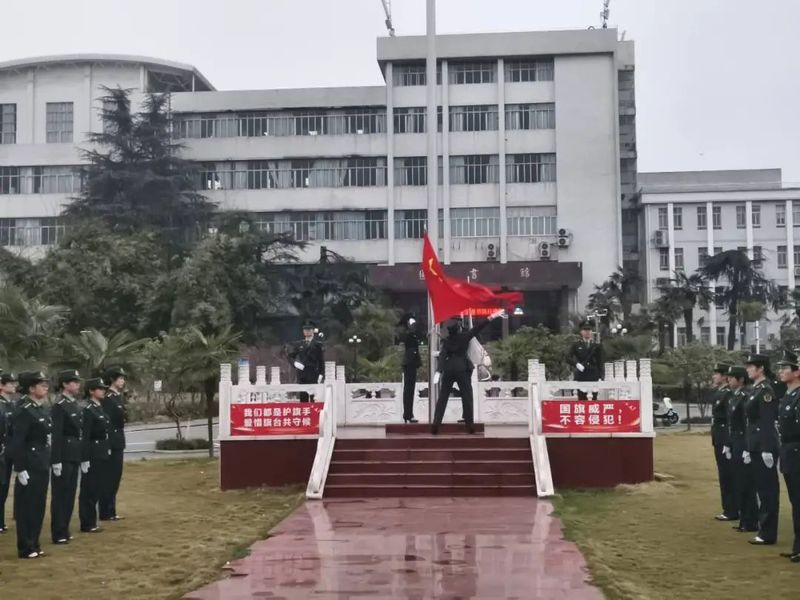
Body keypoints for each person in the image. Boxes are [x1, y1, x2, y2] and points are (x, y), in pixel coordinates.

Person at [432, 309, 503, 435]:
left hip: (448, 370)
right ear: (459, 328)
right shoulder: (464, 337)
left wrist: (438, 371)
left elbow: (442, 356)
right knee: (467, 397)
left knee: (443, 398)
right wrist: (491, 317)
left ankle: (436, 424)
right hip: (462, 369)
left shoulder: (447, 341)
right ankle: (469, 426)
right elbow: (478, 327)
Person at [9, 371, 52, 559]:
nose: (46, 387)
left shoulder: (41, 408)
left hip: (41, 461)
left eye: (46, 384)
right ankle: (25, 547)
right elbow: (17, 441)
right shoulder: (24, 410)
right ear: (31, 388)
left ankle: (34, 542)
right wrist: (20, 468)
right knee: (27, 507)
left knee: (38, 505)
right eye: (41, 385)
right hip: (29, 463)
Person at [744, 353, 780, 545]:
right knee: (761, 487)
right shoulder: (756, 389)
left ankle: (767, 533)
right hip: (756, 444)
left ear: (761, 369)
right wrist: (749, 447)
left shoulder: (766, 390)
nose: (748, 369)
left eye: (751, 366)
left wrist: (766, 448)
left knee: (768, 490)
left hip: (764, 445)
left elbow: (766, 421)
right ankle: (764, 529)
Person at [50, 369, 84, 544]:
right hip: (64, 454)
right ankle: (58, 532)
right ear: (64, 384)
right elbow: (56, 435)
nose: (77, 385)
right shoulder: (60, 405)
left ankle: (65, 528)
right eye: (74, 382)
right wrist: (55, 460)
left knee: (70, 494)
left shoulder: (74, 404)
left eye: (78, 382)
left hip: (74, 453)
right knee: (60, 495)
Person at [726, 365, 759, 533]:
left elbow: (747, 423)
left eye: (732, 377)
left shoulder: (745, 396)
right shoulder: (735, 396)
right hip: (735, 441)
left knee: (746, 482)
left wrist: (747, 447)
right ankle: (744, 518)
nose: (729, 380)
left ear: (741, 380)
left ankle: (750, 520)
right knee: (738, 481)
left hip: (743, 441)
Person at [776, 349, 800, 563]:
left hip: (797, 452)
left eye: (785, 368)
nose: (781, 371)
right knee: (795, 501)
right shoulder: (788, 395)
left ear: (797, 371)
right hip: (789, 452)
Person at [79, 378, 111, 533]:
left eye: (104, 388)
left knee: (97, 487)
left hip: (101, 451)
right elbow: (85, 436)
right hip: (92, 452)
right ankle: (87, 522)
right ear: (91, 391)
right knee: (89, 489)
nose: (103, 390)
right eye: (100, 388)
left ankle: (92, 520)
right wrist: (84, 458)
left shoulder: (99, 408)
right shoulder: (88, 409)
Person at [710, 363, 738, 521]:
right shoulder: (719, 392)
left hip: (724, 437)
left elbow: (730, 420)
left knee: (728, 474)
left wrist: (728, 441)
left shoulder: (727, 394)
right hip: (718, 437)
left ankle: (731, 509)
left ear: (724, 376)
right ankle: (729, 508)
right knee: (724, 474)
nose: (714, 376)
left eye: (717, 374)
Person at [99, 366, 127, 521]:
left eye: (123, 378)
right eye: (120, 378)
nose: (122, 381)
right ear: (112, 379)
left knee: (115, 477)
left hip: (118, 440)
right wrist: (107, 444)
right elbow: (107, 423)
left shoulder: (117, 397)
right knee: (109, 478)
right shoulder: (108, 398)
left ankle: (111, 510)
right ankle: (106, 511)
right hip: (112, 442)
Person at [287, 321, 325, 402]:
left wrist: (321, 374)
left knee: (313, 398)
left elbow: (321, 360)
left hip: (313, 374)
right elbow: (290, 356)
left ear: (313, 331)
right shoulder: (299, 344)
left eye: (309, 330)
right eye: (305, 330)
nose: (307, 332)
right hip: (302, 375)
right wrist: (295, 363)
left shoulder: (317, 344)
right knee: (303, 399)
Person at [566, 321, 603, 400]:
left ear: (591, 331)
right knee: (582, 399)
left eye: (589, 330)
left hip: (593, 375)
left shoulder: (596, 345)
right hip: (581, 375)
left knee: (593, 399)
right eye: (585, 330)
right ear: (581, 332)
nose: (587, 332)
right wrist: (576, 364)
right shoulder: (576, 345)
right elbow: (568, 357)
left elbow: (600, 362)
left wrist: (601, 376)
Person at [398, 313, 423, 423]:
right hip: (409, 364)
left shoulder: (411, 335)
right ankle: (408, 414)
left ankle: (408, 414)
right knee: (409, 390)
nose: (413, 324)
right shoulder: (408, 335)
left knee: (409, 390)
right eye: (411, 322)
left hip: (411, 364)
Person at [0, 371, 16, 533]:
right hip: (2, 451)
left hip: (9, 451)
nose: (13, 385)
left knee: (4, 486)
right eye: (10, 383)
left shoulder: (11, 404)